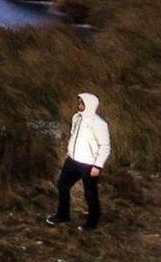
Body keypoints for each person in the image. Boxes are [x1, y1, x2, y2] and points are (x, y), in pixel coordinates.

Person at [46, 92, 111, 231]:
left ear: (89, 105)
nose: (79, 105)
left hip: (89, 164)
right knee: (62, 185)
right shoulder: (76, 118)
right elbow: (73, 135)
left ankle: (92, 223)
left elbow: (105, 146)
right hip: (72, 161)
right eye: (79, 102)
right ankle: (63, 215)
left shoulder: (99, 124)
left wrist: (97, 166)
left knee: (90, 193)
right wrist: (70, 153)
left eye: (82, 103)